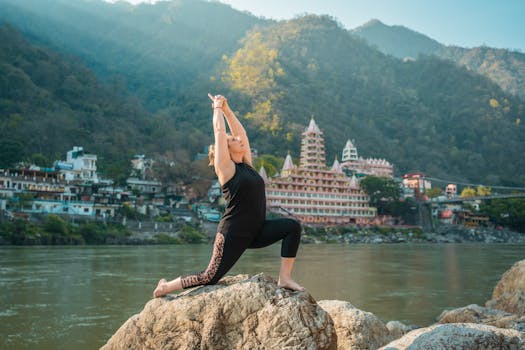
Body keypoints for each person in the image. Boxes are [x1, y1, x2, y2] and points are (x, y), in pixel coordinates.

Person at [153, 94, 304, 297]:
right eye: (232, 140)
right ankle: (165, 287)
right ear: (225, 149)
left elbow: (241, 132)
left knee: (292, 226)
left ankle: (285, 278)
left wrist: (227, 109)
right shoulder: (226, 168)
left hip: (257, 230)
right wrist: (216, 108)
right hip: (233, 233)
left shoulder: (247, 165)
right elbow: (219, 131)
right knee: (209, 277)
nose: (239, 139)